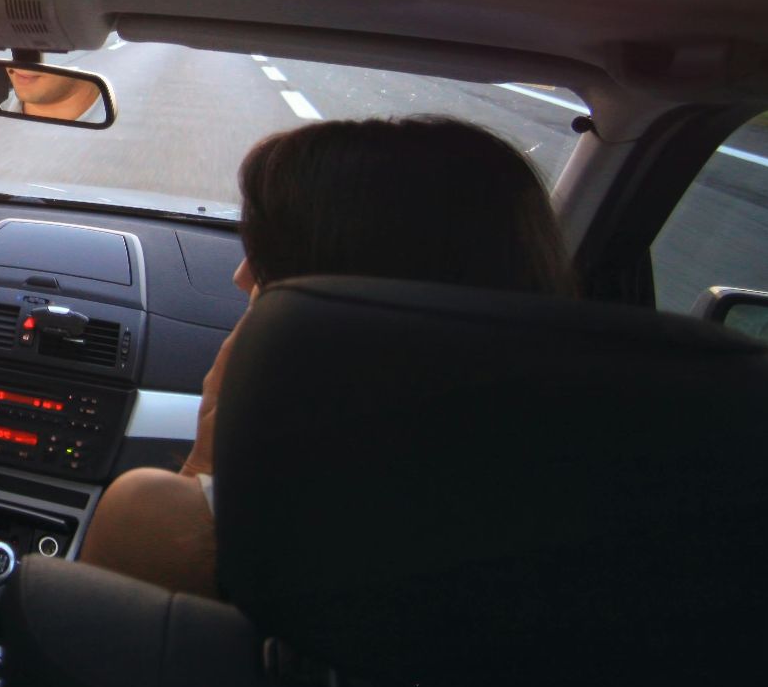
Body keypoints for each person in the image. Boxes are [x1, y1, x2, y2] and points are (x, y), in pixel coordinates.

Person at [78, 116, 575, 597]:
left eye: (273, 257)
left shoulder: (173, 522)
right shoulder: (576, 490)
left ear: (364, 287)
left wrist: (207, 467)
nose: (242, 277)